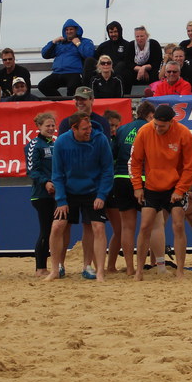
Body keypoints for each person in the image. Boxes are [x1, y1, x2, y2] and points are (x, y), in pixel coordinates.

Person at [130, 103, 192, 280]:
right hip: (152, 186)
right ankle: (139, 271)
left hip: (175, 186)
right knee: (145, 226)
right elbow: (135, 162)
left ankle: (180, 270)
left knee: (178, 225)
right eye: (156, 124)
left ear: (171, 122)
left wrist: (180, 189)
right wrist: (137, 186)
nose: (158, 129)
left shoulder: (184, 133)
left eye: (162, 126)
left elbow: (190, 167)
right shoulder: (145, 131)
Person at [45, 111, 113, 282]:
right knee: (57, 226)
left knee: (97, 227)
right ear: (73, 128)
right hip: (68, 191)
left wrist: (101, 195)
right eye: (84, 129)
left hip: (93, 191)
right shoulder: (62, 142)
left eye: (89, 127)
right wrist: (61, 199)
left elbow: (107, 170)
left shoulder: (100, 139)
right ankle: (56, 269)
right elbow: (57, 173)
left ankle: (96, 270)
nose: (89, 131)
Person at [105, 100, 153, 277]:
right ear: (149, 115)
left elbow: (113, 155)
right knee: (149, 226)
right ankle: (148, 265)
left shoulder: (123, 129)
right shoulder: (150, 128)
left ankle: (130, 267)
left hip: (121, 178)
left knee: (127, 227)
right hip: (143, 178)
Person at [25, 112, 57, 278]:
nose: (51, 128)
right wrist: (46, 182)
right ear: (39, 126)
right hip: (41, 194)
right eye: (47, 126)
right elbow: (32, 170)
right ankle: (40, 268)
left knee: (55, 231)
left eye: (52, 125)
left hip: (57, 193)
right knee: (46, 230)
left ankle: (55, 266)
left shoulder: (55, 143)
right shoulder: (34, 145)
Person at [40, 19, 94, 98]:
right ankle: (62, 102)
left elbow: (89, 55)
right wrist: (53, 42)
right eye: (67, 30)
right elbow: (45, 55)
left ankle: (69, 103)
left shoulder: (85, 41)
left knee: (73, 88)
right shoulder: (60, 43)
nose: (69, 31)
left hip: (74, 72)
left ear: (76, 30)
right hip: (57, 73)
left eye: (71, 29)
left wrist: (78, 44)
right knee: (43, 85)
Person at [96, 21, 134, 88]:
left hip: (122, 77)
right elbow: (96, 61)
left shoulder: (128, 45)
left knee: (121, 65)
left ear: (120, 31)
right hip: (104, 74)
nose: (113, 34)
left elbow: (130, 63)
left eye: (115, 31)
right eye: (111, 32)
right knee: (89, 60)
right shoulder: (103, 46)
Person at [128, 26, 163, 91]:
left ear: (146, 36)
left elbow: (157, 62)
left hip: (151, 69)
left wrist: (144, 68)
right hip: (135, 70)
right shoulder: (131, 45)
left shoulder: (154, 44)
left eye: (142, 36)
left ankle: (154, 91)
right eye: (137, 36)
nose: (139, 38)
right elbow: (128, 62)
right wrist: (140, 69)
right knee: (127, 74)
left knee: (154, 75)